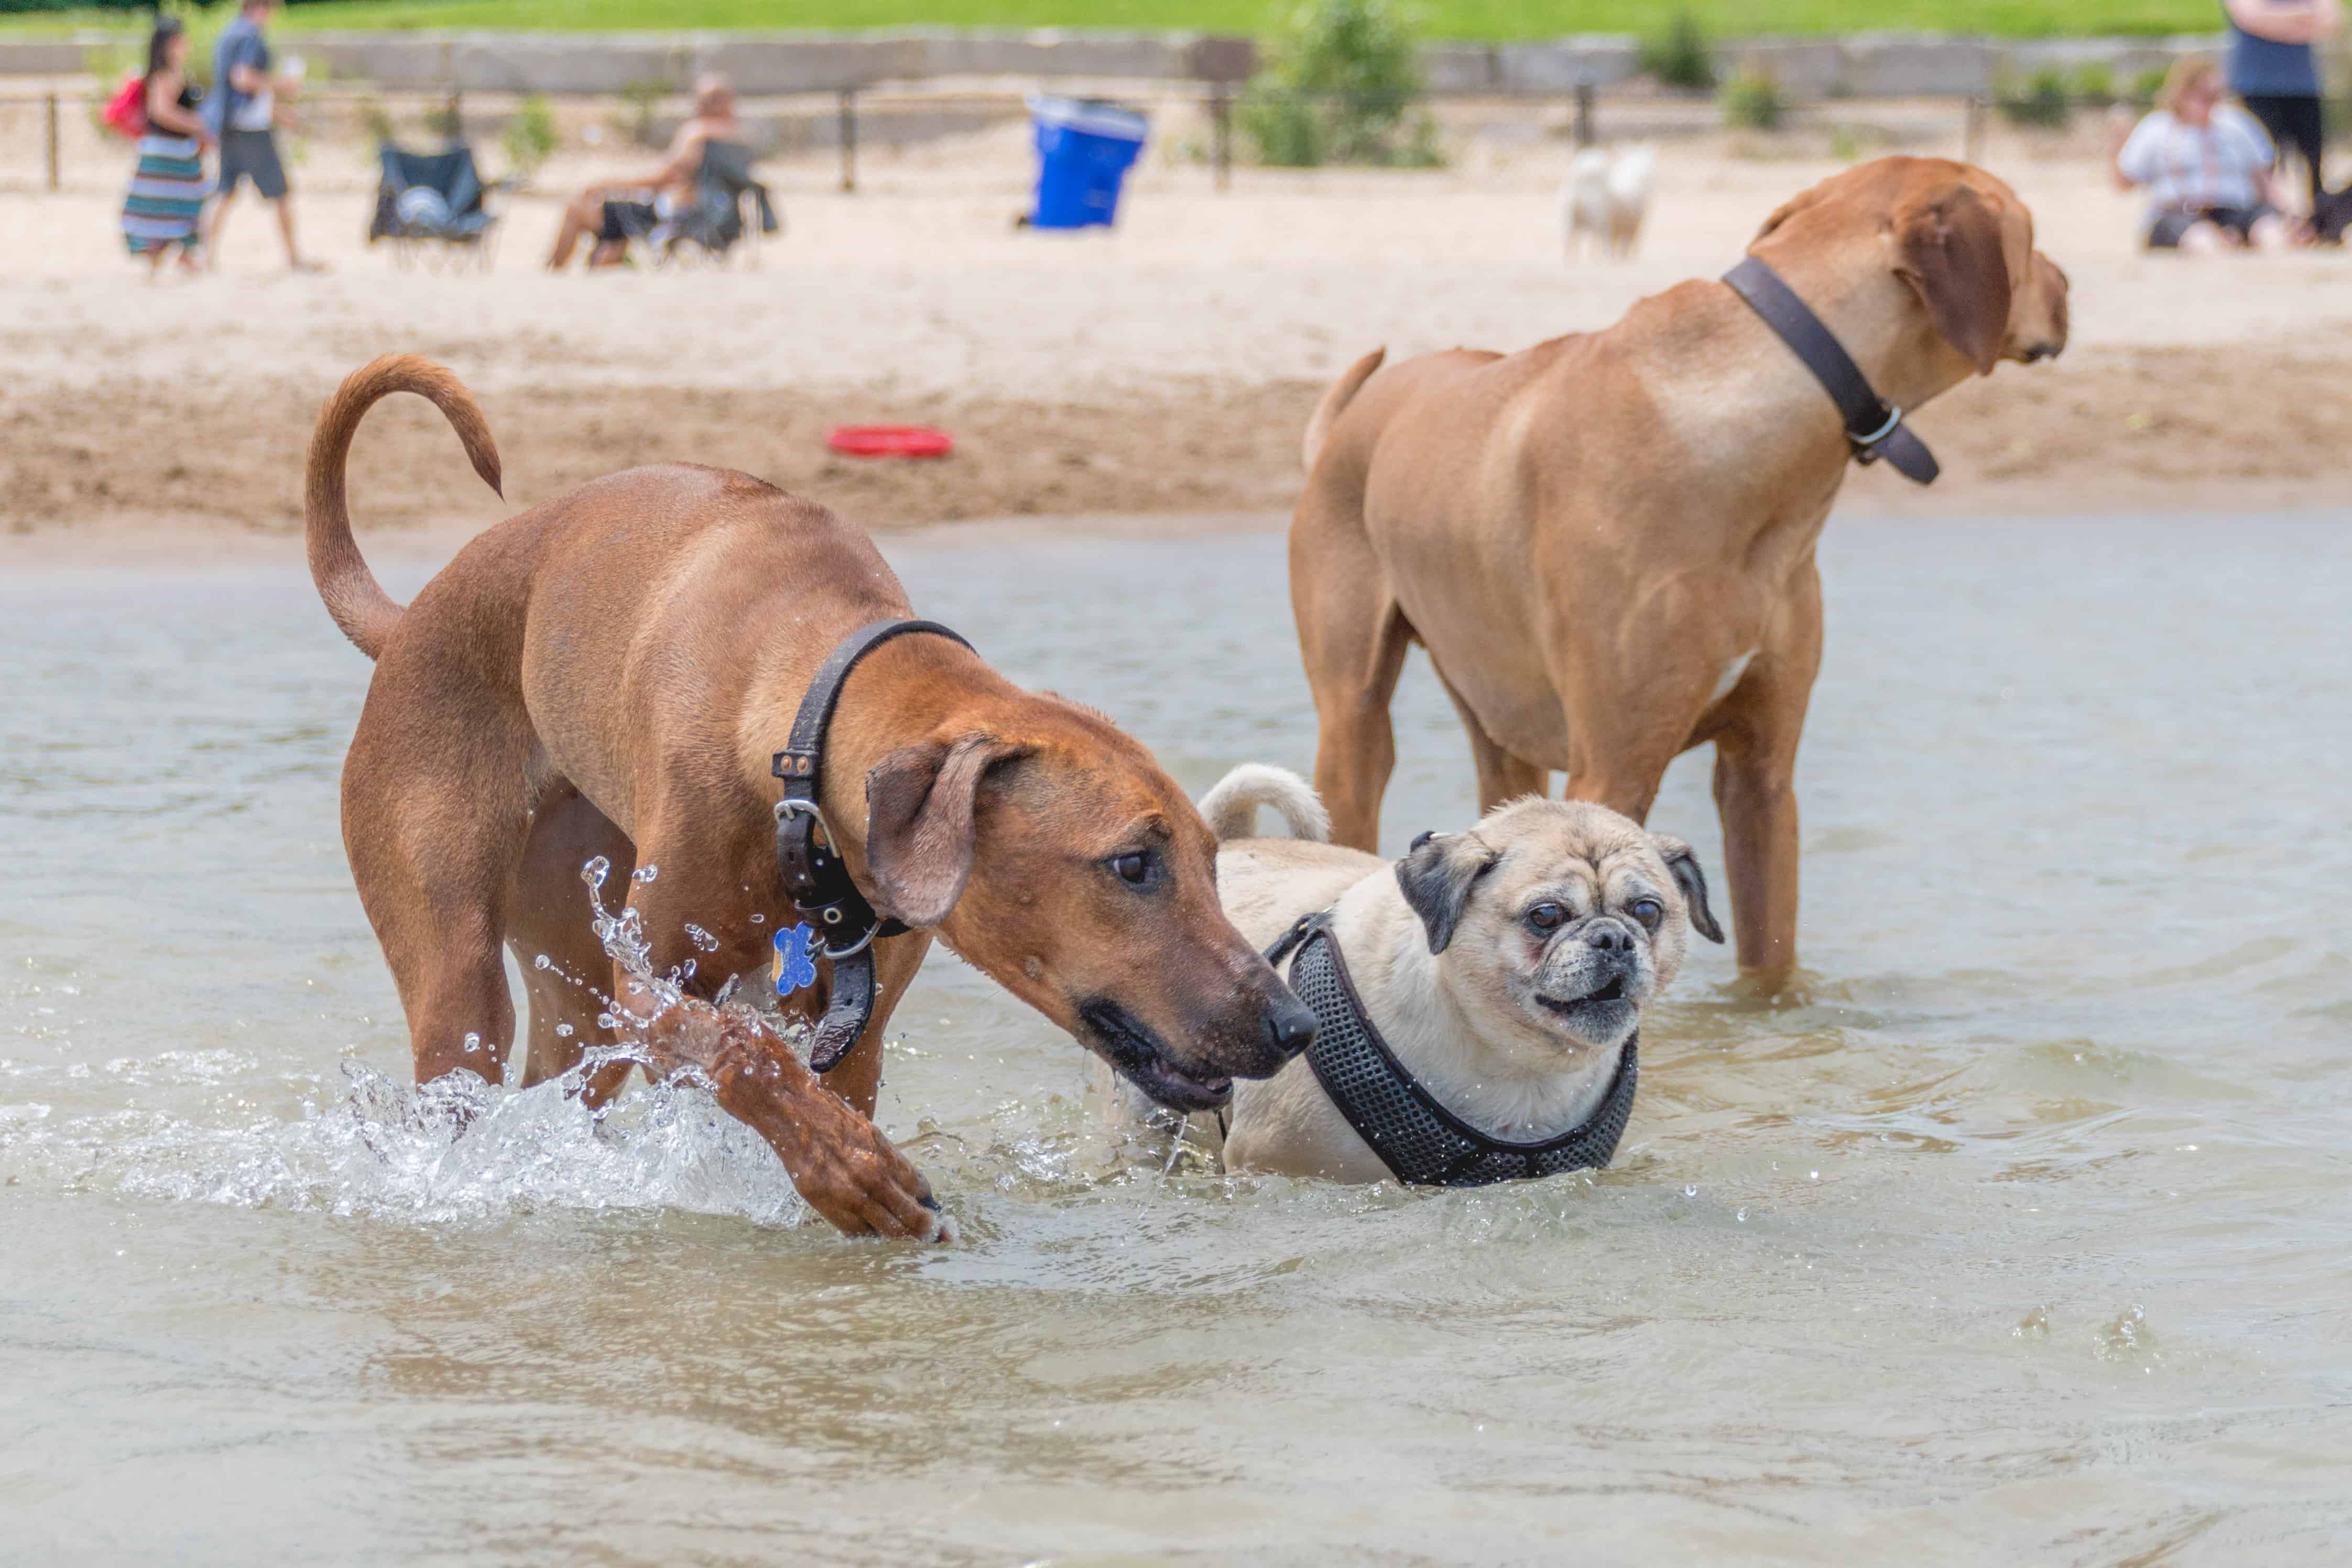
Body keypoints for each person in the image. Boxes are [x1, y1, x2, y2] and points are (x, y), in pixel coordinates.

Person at [546, 74, 744, 269]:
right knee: (611, 240)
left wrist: (605, 184)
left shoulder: (695, 133)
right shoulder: (739, 139)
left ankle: (553, 274)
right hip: (708, 219)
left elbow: (661, 179)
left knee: (577, 209)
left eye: (705, 100)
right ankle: (609, 257)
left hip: (669, 217)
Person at [2110, 56, 2296, 252]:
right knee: (2203, 241)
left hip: (2234, 210)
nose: (2210, 104)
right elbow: (2124, 182)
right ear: (2182, 94)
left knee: (2271, 233)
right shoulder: (2156, 128)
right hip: (2179, 214)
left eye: (2215, 96)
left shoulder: (2236, 124)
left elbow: (2264, 181)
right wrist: (2118, 142)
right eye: (2203, 97)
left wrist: (2288, 214)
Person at [203, 0, 324, 273]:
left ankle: (206, 256)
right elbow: (243, 79)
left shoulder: (229, 33)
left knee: (224, 190)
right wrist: (284, 85)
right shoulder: (251, 36)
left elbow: (235, 88)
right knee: (280, 192)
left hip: (227, 123)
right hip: (252, 128)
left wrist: (279, 113)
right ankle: (294, 258)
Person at [2225, 0, 2340, 213]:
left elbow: (2332, 22)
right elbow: (2249, 18)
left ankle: (2319, 219)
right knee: (2261, 160)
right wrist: (2305, 20)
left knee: (2314, 160)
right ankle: (2265, 216)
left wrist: (2274, 22)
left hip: (2303, 84)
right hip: (2257, 86)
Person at [119, 16, 212, 277]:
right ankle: (170, 254)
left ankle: (176, 254)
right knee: (173, 203)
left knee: (170, 204)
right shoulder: (165, 74)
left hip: (174, 151)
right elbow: (161, 111)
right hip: (169, 151)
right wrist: (197, 124)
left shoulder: (169, 72)